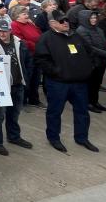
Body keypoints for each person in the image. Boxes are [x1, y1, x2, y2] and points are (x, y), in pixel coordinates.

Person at [34, 10, 99, 154]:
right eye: (61, 21)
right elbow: (41, 60)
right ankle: (53, 138)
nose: (65, 23)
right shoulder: (46, 39)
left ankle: (82, 138)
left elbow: (90, 52)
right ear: (52, 23)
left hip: (80, 83)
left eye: (66, 20)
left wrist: (88, 69)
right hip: (58, 84)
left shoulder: (76, 35)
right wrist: (57, 72)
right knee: (55, 112)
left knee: (82, 112)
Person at [0, 18, 34, 154]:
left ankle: (14, 137)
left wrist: (25, 77)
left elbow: (27, 61)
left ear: (10, 30)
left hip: (17, 84)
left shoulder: (19, 43)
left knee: (14, 113)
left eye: (5, 31)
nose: (2, 34)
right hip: (1, 87)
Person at [75, 9, 106, 113]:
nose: (94, 19)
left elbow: (105, 42)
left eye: (95, 17)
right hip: (91, 62)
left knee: (97, 84)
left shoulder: (98, 29)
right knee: (90, 84)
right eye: (91, 18)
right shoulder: (81, 30)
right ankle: (88, 103)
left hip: (101, 61)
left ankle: (95, 102)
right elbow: (89, 47)